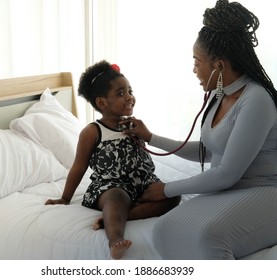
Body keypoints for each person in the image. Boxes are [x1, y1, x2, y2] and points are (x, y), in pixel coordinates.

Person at [121, 0, 277, 259]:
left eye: (197, 62)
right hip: (234, 192)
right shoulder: (219, 95)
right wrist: (151, 137)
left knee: (208, 236)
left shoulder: (256, 99)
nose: (194, 69)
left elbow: (227, 173)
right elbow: (208, 152)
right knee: (164, 228)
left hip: (274, 195)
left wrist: (166, 189)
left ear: (218, 66)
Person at [45, 60, 180, 259]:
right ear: (102, 103)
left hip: (142, 183)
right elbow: (79, 166)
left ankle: (115, 218)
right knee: (117, 198)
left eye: (130, 91)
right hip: (111, 186)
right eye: (121, 93)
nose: (129, 97)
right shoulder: (93, 131)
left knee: (173, 195)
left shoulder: (133, 125)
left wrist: (144, 133)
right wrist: (65, 198)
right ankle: (115, 239)